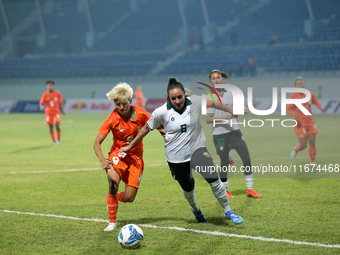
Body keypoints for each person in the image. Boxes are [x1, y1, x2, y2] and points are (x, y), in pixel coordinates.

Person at [121, 77, 243, 225]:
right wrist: (129, 146)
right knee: (188, 188)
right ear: (168, 98)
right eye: (173, 98)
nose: (178, 101)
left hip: (197, 149)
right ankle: (196, 210)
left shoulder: (196, 102)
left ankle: (228, 211)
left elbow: (214, 104)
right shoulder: (161, 112)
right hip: (176, 158)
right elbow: (146, 128)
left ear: (184, 94)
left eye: (180, 97)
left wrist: (231, 110)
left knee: (214, 179)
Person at [93, 82, 151, 232]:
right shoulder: (112, 119)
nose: (120, 107)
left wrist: (164, 132)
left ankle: (113, 199)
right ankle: (112, 221)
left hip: (135, 159)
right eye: (117, 104)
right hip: (117, 156)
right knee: (113, 183)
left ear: (130, 101)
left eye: (123, 103)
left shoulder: (141, 114)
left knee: (130, 197)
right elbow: (96, 143)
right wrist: (102, 160)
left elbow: (155, 123)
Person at [206, 70, 262, 198]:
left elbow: (235, 109)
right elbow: (208, 120)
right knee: (224, 162)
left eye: (218, 78)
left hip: (234, 132)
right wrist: (226, 117)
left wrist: (244, 110)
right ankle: (225, 190)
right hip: (220, 134)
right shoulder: (210, 98)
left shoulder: (229, 93)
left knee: (246, 159)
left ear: (221, 79)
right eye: (213, 78)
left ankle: (250, 189)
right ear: (210, 81)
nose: (216, 80)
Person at [287, 77, 324, 165]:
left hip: (310, 122)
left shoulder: (310, 94)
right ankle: (296, 150)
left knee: (312, 142)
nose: (300, 85)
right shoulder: (293, 97)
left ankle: (312, 161)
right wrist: (292, 114)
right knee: (303, 145)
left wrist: (320, 107)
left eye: (301, 83)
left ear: (304, 84)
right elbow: (287, 109)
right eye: (298, 84)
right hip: (300, 124)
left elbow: (315, 102)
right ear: (295, 86)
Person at [39, 80, 65, 145]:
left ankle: (59, 140)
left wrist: (63, 110)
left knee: (57, 124)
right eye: (48, 85)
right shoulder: (45, 94)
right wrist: (41, 106)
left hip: (56, 111)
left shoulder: (57, 93)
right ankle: (54, 141)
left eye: (51, 85)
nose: (50, 86)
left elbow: (61, 101)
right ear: (47, 86)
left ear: (53, 86)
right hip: (48, 112)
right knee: (51, 127)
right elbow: (41, 103)